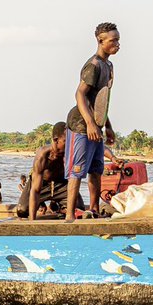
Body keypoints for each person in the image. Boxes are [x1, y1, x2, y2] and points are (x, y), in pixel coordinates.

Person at [64, 22, 120, 220]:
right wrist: (89, 123)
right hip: (81, 125)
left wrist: (108, 126)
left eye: (118, 40)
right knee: (77, 170)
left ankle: (93, 210)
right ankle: (70, 217)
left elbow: (100, 102)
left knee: (96, 169)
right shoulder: (93, 65)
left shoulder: (109, 65)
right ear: (100, 41)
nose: (117, 44)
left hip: (97, 125)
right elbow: (80, 94)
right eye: (113, 41)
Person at [17, 122, 84, 219]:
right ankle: (41, 204)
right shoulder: (42, 155)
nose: (70, 144)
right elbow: (35, 190)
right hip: (41, 185)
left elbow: (73, 179)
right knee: (22, 211)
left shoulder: (70, 154)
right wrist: (32, 221)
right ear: (56, 140)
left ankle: (59, 208)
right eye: (66, 141)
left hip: (61, 185)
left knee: (79, 208)